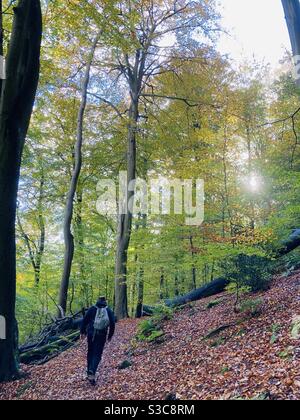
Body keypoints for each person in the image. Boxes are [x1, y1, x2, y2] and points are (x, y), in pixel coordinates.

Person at [80, 296, 115, 385]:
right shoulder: (108, 310)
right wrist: (110, 335)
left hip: (91, 334)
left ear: (97, 301)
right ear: (105, 302)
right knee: (97, 354)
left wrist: (82, 332)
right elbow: (112, 324)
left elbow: (84, 321)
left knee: (90, 352)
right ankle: (92, 371)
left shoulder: (92, 309)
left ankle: (89, 371)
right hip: (102, 335)